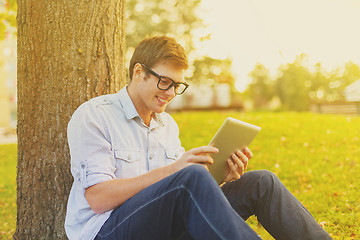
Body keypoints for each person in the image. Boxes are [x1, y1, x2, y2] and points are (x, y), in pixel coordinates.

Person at [65, 35, 332, 240]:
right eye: (164, 81)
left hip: (163, 226)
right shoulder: (94, 116)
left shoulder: (166, 125)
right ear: (138, 72)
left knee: (261, 182)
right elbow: (98, 199)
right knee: (190, 175)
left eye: (177, 85)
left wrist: (218, 177)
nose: (170, 92)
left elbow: (180, 195)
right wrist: (179, 170)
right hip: (109, 231)